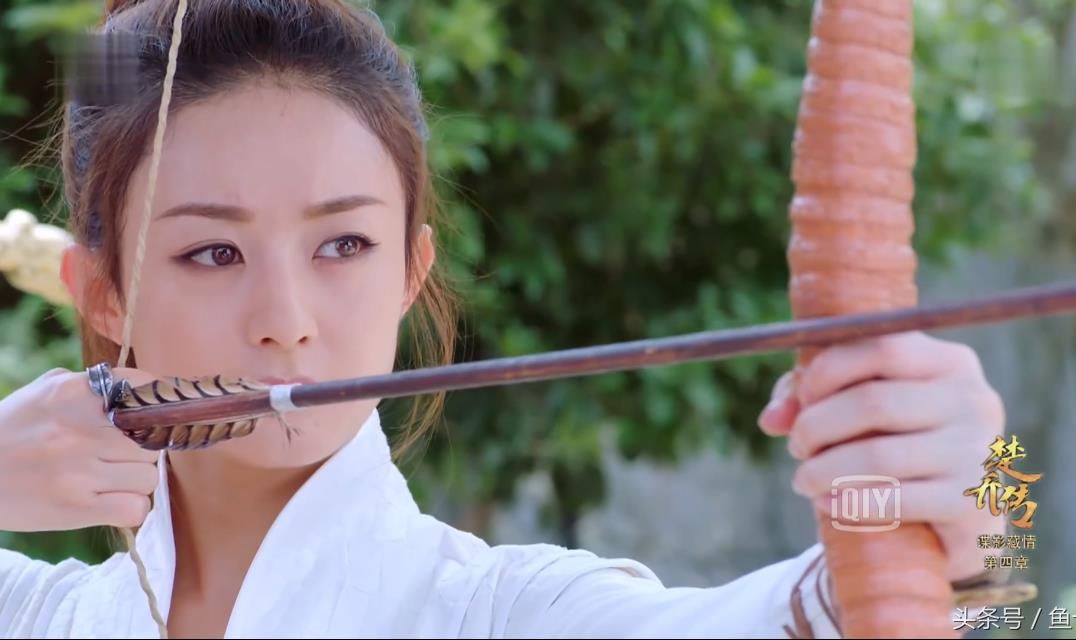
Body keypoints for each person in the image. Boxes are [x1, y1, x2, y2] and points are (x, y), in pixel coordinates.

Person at [0, 0, 1010, 637]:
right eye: (213, 253)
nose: (286, 321)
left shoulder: (508, 613)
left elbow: (802, 617)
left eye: (343, 245)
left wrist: (954, 526)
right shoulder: (43, 613)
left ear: (410, 271)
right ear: (103, 293)